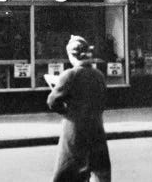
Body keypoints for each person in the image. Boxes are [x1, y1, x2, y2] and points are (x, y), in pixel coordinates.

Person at [47, 35, 111, 182]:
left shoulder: (70, 75)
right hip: (96, 129)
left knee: (68, 171)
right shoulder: (99, 75)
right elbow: (103, 100)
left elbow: (52, 101)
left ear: (71, 55)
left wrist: (67, 111)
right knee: (98, 171)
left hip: (75, 131)